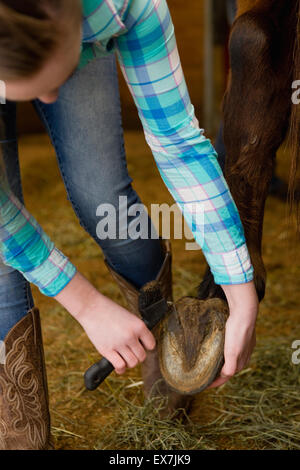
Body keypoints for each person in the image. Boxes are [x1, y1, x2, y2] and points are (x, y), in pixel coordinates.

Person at [0, 0, 258, 449]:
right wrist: (86, 305)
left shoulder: (132, 6)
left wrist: (241, 290)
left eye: (49, 81)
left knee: (103, 198)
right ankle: (22, 438)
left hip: (86, 31)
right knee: (1, 271)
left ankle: (165, 344)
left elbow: (178, 144)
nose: (46, 101)